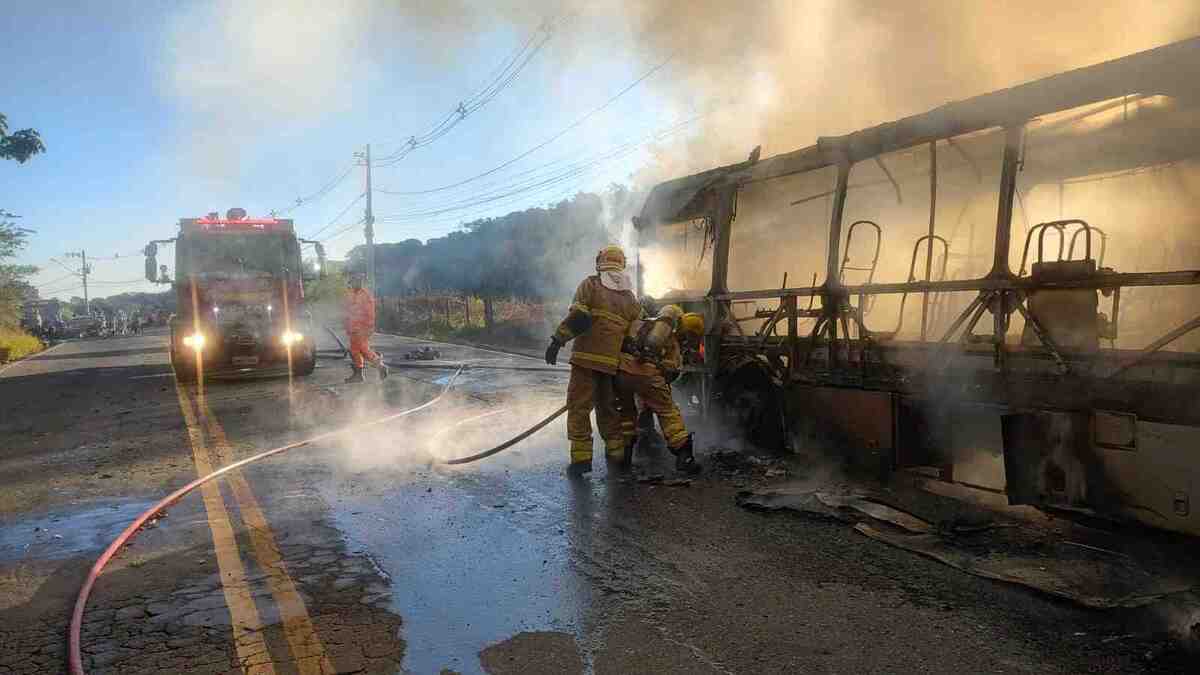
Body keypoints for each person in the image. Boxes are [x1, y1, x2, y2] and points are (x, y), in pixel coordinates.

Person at [545, 245, 642, 474]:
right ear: (622, 263)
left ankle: (581, 460)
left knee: (579, 408)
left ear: (600, 260)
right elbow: (635, 330)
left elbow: (579, 317)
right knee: (608, 409)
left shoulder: (591, 284)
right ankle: (616, 454)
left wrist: (557, 341)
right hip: (610, 365)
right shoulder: (629, 296)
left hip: (585, 360)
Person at [615, 305, 703, 474]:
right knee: (668, 412)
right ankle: (684, 456)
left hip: (621, 372)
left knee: (626, 413)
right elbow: (670, 373)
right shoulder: (672, 343)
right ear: (688, 332)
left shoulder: (646, 324)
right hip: (648, 376)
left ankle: (624, 456)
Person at [344, 272, 389, 383]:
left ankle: (381, 366)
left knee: (363, 349)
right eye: (354, 281)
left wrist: (369, 327)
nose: (355, 283)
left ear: (361, 282)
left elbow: (370, 314)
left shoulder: (366, 296)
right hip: (353, 328)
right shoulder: (350, 294)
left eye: (358, 281)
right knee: (355, 351)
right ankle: (358, 374)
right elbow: (348, 311)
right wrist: (347, 325)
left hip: (362, 328)